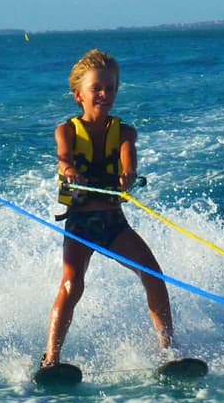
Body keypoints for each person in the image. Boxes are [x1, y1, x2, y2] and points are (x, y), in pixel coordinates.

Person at [43, 49, 177, 369]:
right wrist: (69, 172)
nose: (105, 94)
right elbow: (65, 159)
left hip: (113, 222)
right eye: (97, 89)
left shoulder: (125, 133)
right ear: (79, 95)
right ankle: (51, 359)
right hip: (81, 223)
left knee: (154, 276)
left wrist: (127, 175)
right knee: (71, 284)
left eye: (111, 88)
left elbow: (128, 160)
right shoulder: (67, 131)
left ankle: (169, 352)